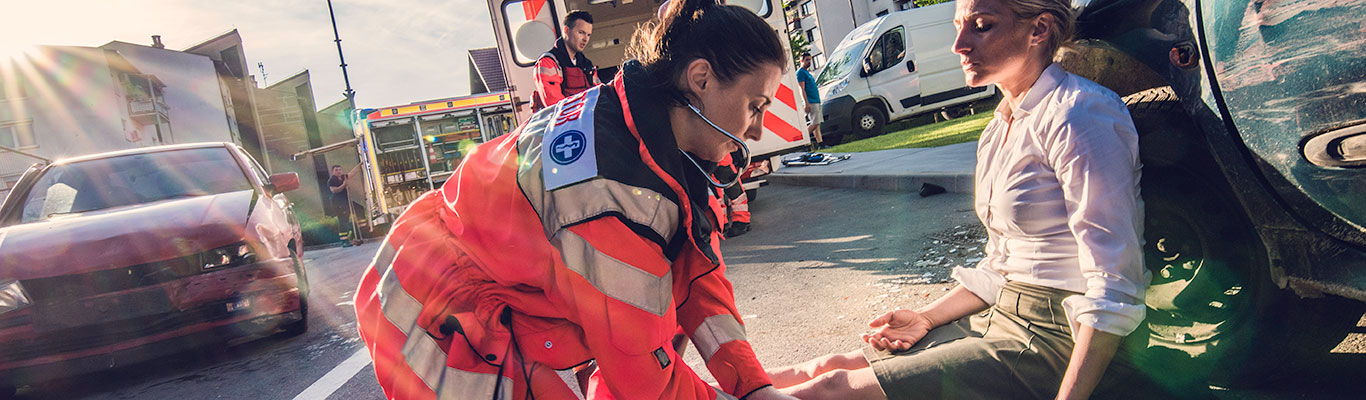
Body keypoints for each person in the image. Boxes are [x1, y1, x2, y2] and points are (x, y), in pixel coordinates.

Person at [353, 0, 798, 399]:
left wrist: (755, 388)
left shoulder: (651, 141)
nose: (756, 131)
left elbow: (699, 278)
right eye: (755, 106)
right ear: (700, 78)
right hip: (429, 316)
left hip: (475, 283)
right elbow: (648, 385)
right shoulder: (609, 193)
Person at [765, 0, 1149, 398]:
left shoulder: (1080, 114)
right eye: (957, 27)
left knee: (834, 388)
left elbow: (1115, 286)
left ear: (1039, 30)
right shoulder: (1000, 129)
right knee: (823, 367)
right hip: (999, 312)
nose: (958, 44)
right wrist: (926, 318)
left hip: (1056, 336)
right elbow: (1000, 264)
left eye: (980, 26)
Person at [534, 10, 600, 111]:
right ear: (566, 30)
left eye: (588, 35)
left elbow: (599, 93)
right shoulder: (548, 63)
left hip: (587, 117)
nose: (585, 39)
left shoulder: (587, 65)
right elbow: (555, 106)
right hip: (563, 123)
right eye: (581, 33)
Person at [327, 164, 360, 246]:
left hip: (346, 201)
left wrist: (361, 164)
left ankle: (363, 230)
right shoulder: (332, 180)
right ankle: (344, 241)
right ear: (333, 172)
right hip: (338, 203)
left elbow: (352, 173)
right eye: (336, 170)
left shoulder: (343, 177)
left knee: (360, 209)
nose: (339, 171)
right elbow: (334, 190)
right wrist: (344, 185)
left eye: (340, 170)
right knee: (343, 221)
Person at [796, 52, 823, 149]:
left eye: (810, 60)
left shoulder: (808, 73)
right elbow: (801, 89)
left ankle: (820, 143)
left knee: (817, 123)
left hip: (816, 100)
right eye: (807, 60)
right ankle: (803, 141)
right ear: (801, 61)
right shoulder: (800, 73)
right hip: (811, 101)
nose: (809, 62)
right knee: (814, 123)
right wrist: (806, 103)